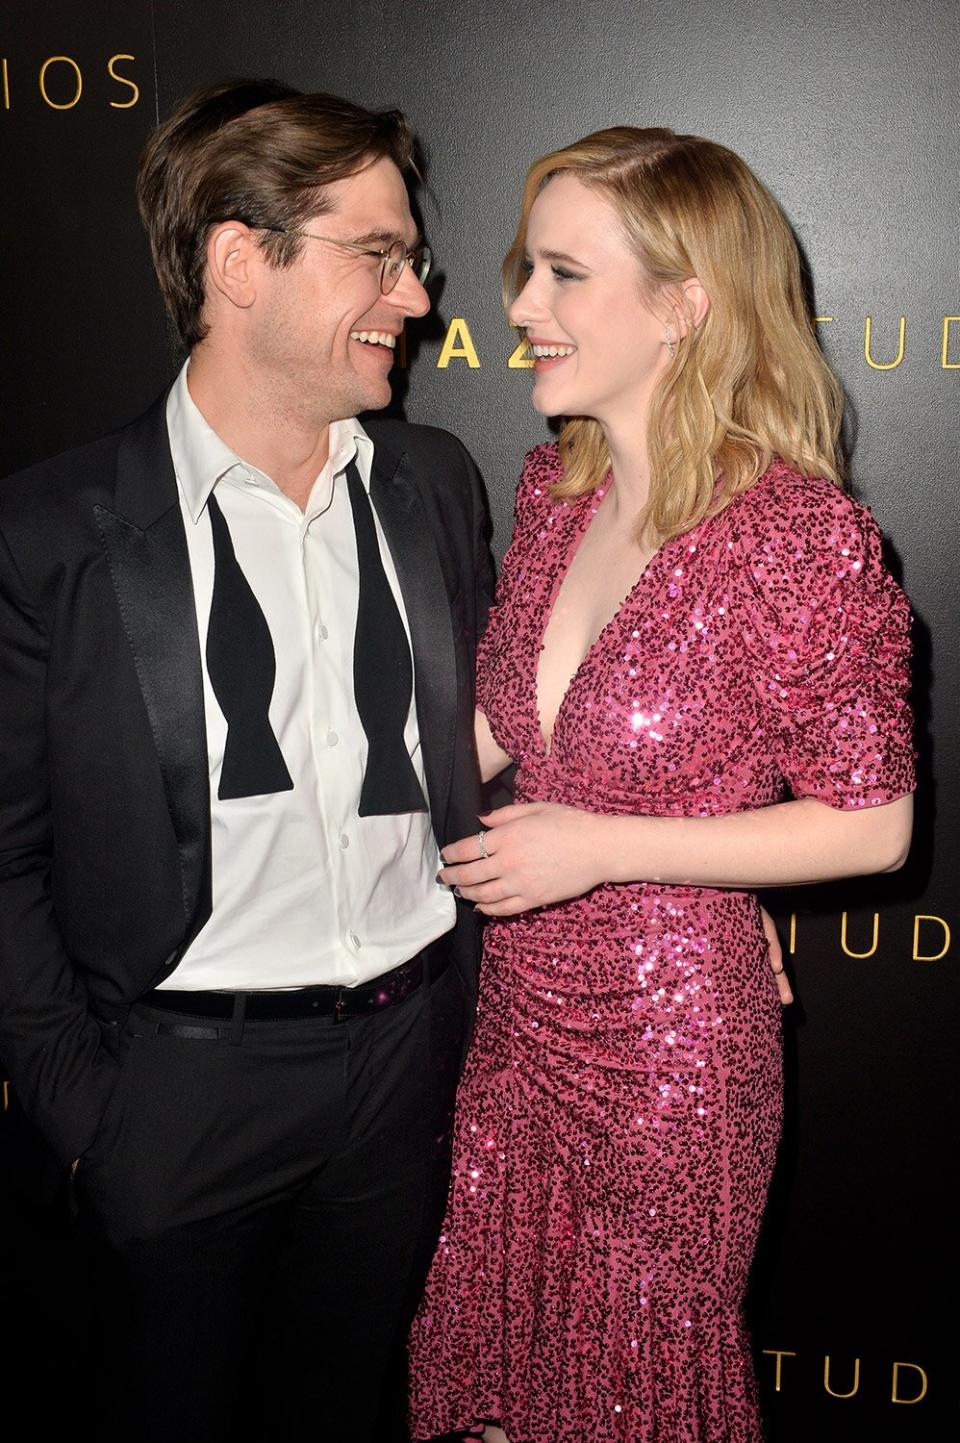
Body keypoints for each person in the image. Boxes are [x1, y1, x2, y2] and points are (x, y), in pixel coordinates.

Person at [0, 79, 494, 1443]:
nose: (419, 294)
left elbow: (498, 744)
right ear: (239, 261)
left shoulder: (436, 484)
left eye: (414, 258)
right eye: (379, 253)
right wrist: (93, 1115)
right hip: (179, 1092)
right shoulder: (53, 533)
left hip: (405, 1064)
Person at [408, 127, 914, 1443]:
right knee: (507, 1381)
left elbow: (876, 823)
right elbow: (483, 735)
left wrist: (609, 847)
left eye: (566, 274)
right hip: (517, 1016)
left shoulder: (797, 536)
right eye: (530, 270)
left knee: (633, 1387)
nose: (519, 307)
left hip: (671, 1048)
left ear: (687, 302)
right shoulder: (558, 495)